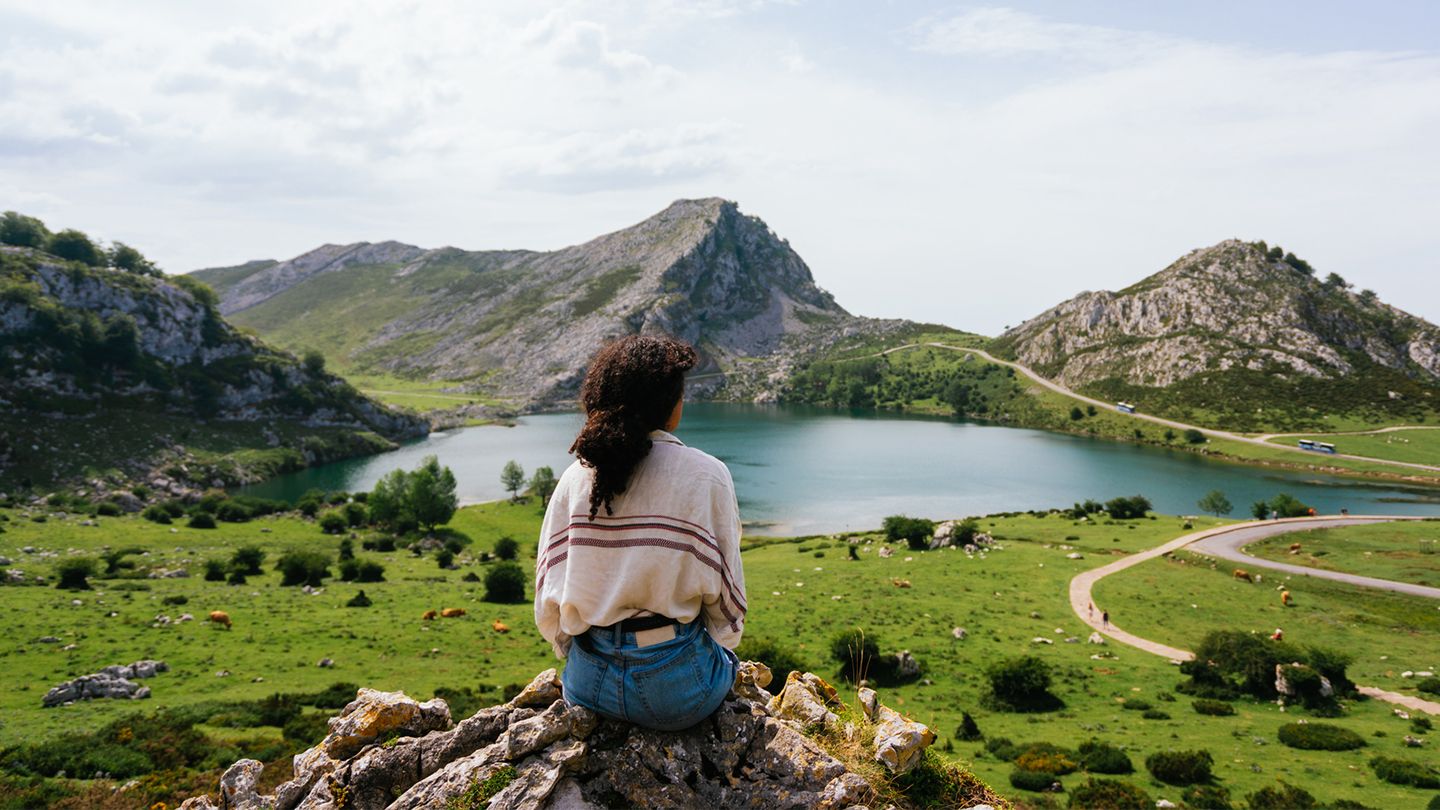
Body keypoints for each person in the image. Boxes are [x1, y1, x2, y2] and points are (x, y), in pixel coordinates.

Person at [534, 335, 745, 731]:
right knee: (728, 666)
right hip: (678, 690)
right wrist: (720, 647)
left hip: (587, 683)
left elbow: (550, 592)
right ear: (670, 405)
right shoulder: (707, 474)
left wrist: (576, 649)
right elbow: (728, 604)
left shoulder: (576, 477)